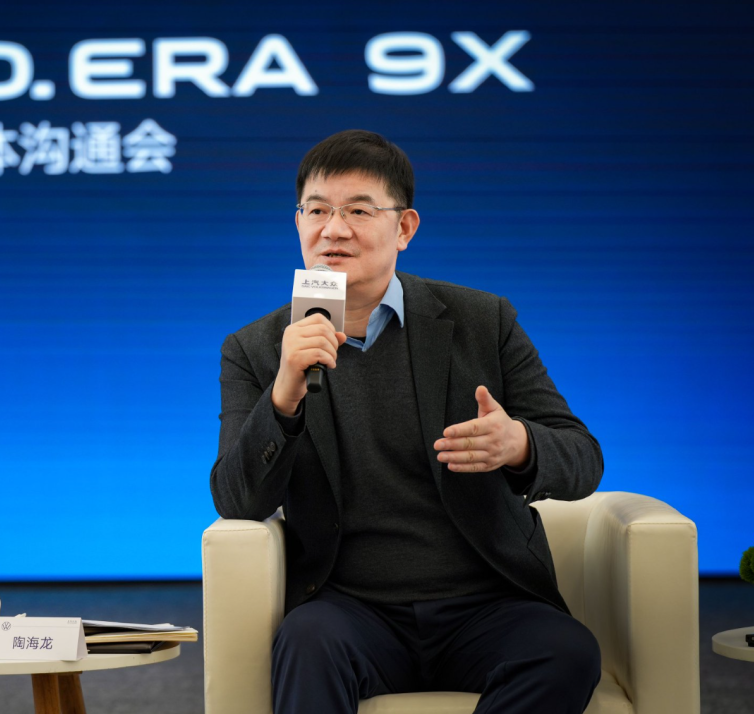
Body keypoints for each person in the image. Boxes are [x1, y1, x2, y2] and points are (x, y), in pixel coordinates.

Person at [209, 129, 604, 714]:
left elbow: (583, 459)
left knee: (566, 652)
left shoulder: (483, 321)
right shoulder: (257, 349)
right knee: (307, 642)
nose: (333, 229)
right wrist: (284, 396)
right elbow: (236, 499)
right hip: (349, 609)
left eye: (358, 210)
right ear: (298, 223)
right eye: (316, 210)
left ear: (405, 228)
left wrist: (519, 444)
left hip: (485, 603)